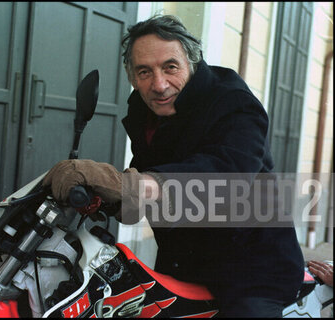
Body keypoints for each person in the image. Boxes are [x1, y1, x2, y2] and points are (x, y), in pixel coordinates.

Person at [42, 15, 305, 317]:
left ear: (192, 63)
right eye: (144, 72)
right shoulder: (144, 110)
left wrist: (128, 184)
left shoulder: (233, 101)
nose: (159, 84)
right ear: (131, 77)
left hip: (253, 272)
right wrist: (105, 198)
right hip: (184, 264)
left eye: (170, 67)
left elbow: (226, 173)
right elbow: (147, 188)